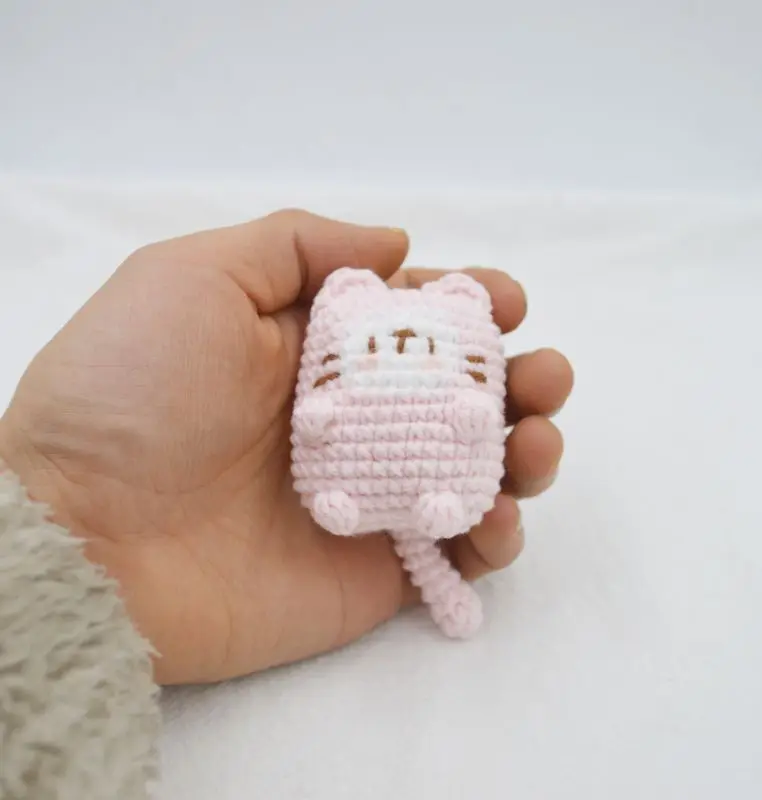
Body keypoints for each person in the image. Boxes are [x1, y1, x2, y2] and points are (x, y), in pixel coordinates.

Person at [0, 210, 573, 798]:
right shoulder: (347, 308)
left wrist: (47, 503)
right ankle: (358, 500)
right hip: (338, 494)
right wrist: (56, 497)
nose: (399, 347)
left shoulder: (401, 318)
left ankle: (428, 502)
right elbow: (317, 420)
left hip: (431, 494)